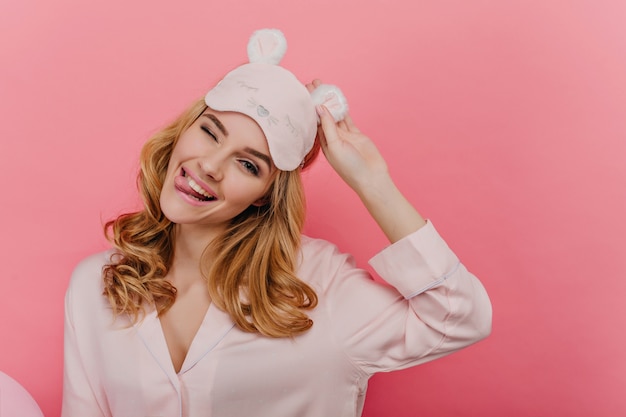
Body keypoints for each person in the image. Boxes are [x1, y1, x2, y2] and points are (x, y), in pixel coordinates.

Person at [62, 29, 492, 417]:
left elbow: (460, 317)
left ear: (267, 192)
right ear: (183, 130)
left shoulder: (322, 288)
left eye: (248, 164)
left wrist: (371, 182)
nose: (209, 166)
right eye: (210, 132)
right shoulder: (93, 287)